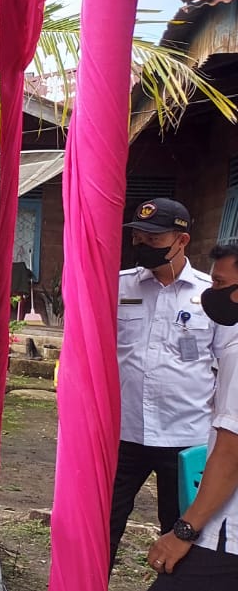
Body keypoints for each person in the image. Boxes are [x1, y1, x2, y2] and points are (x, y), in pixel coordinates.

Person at [111, 198, 235, 563]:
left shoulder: (211, 294)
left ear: (181, 241)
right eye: (138, 238)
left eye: (154, 239)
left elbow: (229, 363)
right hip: (125, 433)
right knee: (104, 527)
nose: (143, 246)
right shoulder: (119, 288)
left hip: (186, 435)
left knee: (181, 532)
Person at [145, 242, 238, 589]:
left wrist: (184, 530)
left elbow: (230, 455)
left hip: (227, 535)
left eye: (220, 284)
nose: (212, 293)